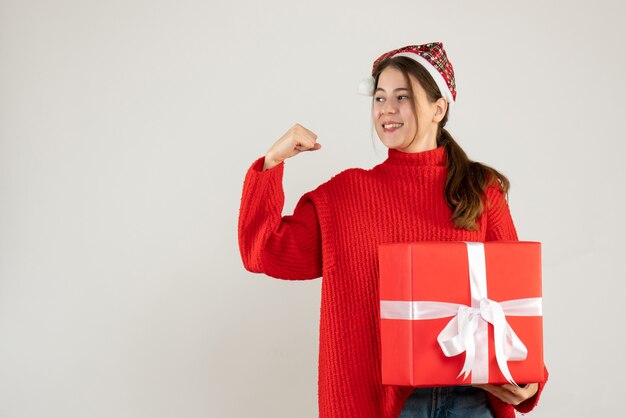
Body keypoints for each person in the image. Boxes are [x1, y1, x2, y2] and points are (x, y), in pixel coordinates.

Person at [238, 42, 548, 418]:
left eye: (402, 97)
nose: (387, 108)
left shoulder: (480, 191)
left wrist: (530, 380)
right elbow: (264, 251)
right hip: (382, 406)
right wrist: (272, 162)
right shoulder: (346, 195)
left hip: (471, 400)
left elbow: (513, 301)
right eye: (380, 97)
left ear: (439, 108)